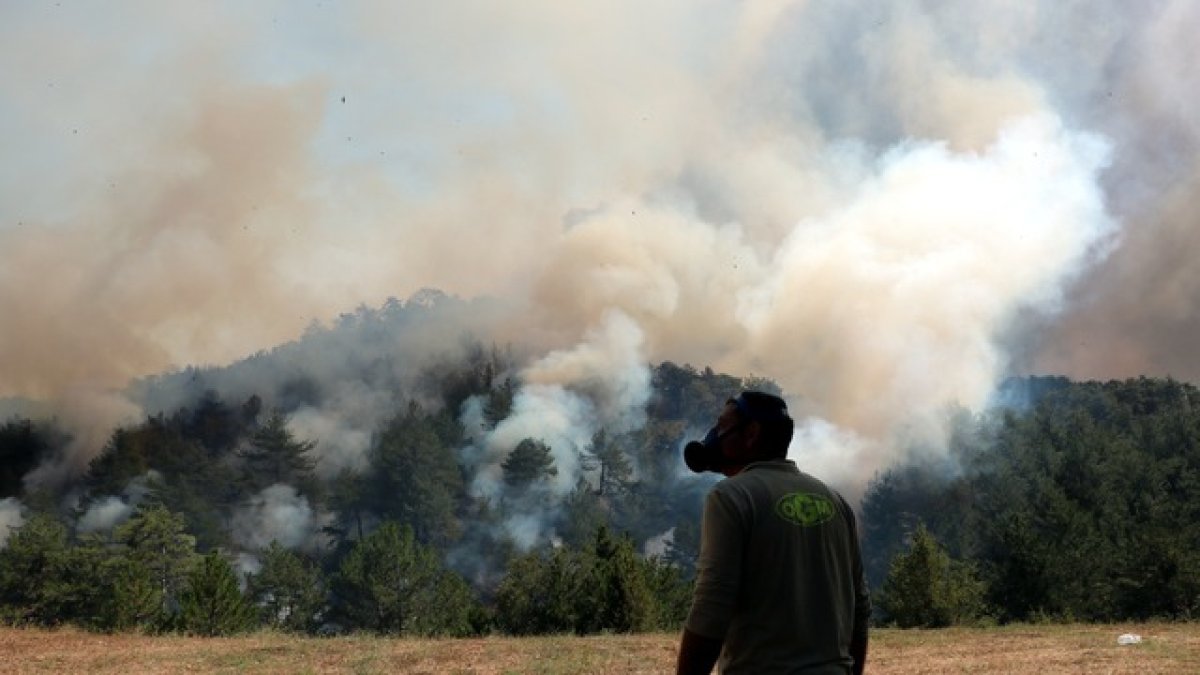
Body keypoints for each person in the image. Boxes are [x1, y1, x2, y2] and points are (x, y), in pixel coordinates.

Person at [676, 391, 870, 675]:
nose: (715, 434)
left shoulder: (730, 496)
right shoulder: (835, 501)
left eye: (721, 426)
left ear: (751, 433)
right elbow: (860, 608)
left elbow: (711, 606)